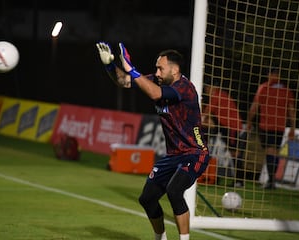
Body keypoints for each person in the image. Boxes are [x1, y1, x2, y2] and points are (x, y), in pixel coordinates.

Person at [96, 42, 210, 240]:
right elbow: (125, 81)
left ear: (174, 70)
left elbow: (154, 94)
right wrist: (110, 66)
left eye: (160, 68)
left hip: (194, 152)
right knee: (147, 199)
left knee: (174, 191)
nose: (156, 72)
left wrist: (132, 68)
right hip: (173, 155)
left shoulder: (185, 88)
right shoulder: (159, 81)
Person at [247, 68, 296, 189]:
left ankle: (271, 181)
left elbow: (255, 106)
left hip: (267, 126)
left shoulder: (264, 88)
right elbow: (291, 111)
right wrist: (292, 128)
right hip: (280, 127)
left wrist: (249, 121)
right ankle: (272, 180)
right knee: (274, 152)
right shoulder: (286, 90)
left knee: (270, 151)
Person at [201, 86, 246, 187]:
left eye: (207, 89)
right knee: (233, 154)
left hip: (232, 128)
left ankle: (239, 181)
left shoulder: (217, 96)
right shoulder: (222, 95)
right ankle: (238, 181)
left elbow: (207, 113)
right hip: (227, 128)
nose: (207, 91)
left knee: (235, 154)